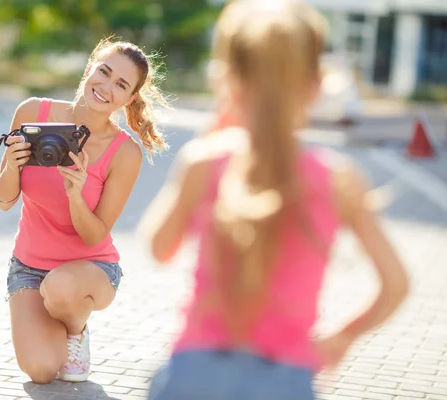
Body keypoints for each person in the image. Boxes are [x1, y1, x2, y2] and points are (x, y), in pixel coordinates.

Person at [140, 1, 410, 399]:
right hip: (286, 378)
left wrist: (207, 141)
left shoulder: (206, 161)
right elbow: (396, 284)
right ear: (316, 85)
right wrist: (340, 340)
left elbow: (158, 248)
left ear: (228, 81)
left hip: (195, 372)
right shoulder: (338, 179)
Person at [0, 38, 168, 384]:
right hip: (29, 268)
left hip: (91, 270)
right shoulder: (32, 113)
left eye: (121, 85)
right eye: (104, 72)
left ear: (130, 98)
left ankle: (76, 329)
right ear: (90, 67)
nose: (106, 87)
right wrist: (12, 166)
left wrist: (76, 194)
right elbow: (3, 200)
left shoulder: (124, 152)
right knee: (42, 370)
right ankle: (54, 324)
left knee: (60, 288)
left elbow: (94, 234)